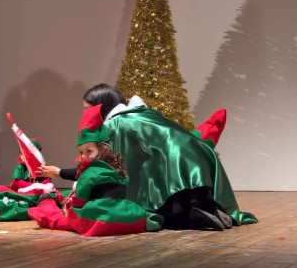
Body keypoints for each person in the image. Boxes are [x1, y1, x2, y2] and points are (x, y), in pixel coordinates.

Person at [80, 83, 256, 230]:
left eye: (88, 109)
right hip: (197, 162)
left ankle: (193, 217)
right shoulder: (143, 114)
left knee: (163, 214)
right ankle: (211, 209)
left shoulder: (114, 124)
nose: (85, 115)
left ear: (101, 106)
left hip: (176, 171)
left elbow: (121, 165)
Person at [31, 105, 161, 236]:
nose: (84, 156)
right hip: (121, 213)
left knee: (64, 220)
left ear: (103, 149)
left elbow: (80, 199)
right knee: (135, 215)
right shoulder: (117, 169)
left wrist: (71, 208)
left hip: (98, 216)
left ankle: (47, 204)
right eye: (81, 152)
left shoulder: (89, 172)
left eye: (89, 151)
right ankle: (147, 221)